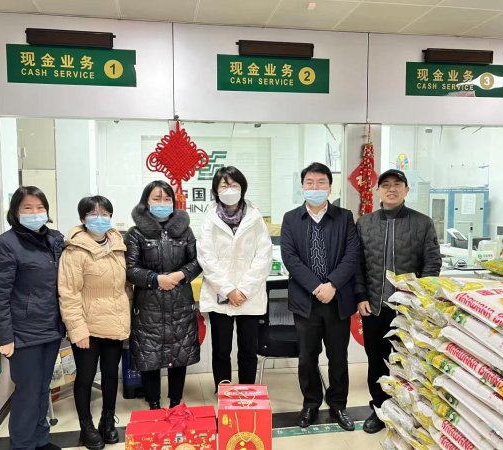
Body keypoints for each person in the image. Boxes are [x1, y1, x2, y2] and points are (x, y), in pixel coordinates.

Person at [355, 169, 441, 434]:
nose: (391, 189)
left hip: (408, 310)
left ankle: (408, 410)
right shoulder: (365, 224)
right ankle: (379, 409)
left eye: (397, 184)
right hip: (375, 307)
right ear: (378, 191)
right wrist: (361, 296)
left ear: (406, 190)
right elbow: (357, 265)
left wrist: (419, 298)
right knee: (376, 360)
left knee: (408, 361)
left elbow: (432, 263)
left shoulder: (422, 223)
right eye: (385, 185)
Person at [280, 162, 361, 430]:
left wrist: (332, 284)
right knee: (307, 358)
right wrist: (317, 287)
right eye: (310, 182)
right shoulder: (291, 219)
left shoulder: (344, 217)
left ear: (330, 186)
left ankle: (338, 405)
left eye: (321, 182)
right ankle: (311, 404)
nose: (315, 187)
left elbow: (352, 255)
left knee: (338, 357)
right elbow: (290, 258)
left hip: (337, 300)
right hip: (306, 301)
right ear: (302, 186)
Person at [0, 186, 64, 450]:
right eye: (27, 208)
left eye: (40, 207)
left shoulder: (53, 240)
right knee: (28, 392)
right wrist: (3, 337)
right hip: (23, 334)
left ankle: (40, 439)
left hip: (50, 328)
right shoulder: (5, 245)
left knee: (42, 388)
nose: (35, 212)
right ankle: (23, 444)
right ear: (15, 212)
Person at [58, 196, 130, 449]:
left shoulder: (119, 245)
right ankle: (86, 426)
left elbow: (125, 287)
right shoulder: (74, 251)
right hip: (87, 326)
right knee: (86, 377)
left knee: (111, 375)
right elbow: (69, 293)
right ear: (83, 219)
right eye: (93, 214)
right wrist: (77, 330)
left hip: (115, 322)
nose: (100, 219)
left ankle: (107, 420)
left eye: (105, 214)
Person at [125, 180, 202, 409]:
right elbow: (130, 269)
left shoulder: (184, 231)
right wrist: (155, 279)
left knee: (179, 354)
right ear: (146, 202)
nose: (162, 203)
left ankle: (176, 403)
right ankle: (154, 404)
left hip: (180, 302)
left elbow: (197, 261)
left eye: (167, 199)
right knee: (150, 356)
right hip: (149, 305)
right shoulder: (135, 233)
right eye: (156, 199)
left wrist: (180, 275)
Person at [197, 166, 272, 390]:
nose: (229, 189)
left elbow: (264, 255)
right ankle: (224, 392)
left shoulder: (255, 217)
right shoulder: (209, 219)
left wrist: (244, 290)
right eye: (224, 185)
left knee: (248, 349)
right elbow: (206, 257)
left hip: (249, 295)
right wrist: (228, 290)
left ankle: (247, 393)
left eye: (234, 185)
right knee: (221, 350)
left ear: (242, 188)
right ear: (216, 190)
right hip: (220, 293)